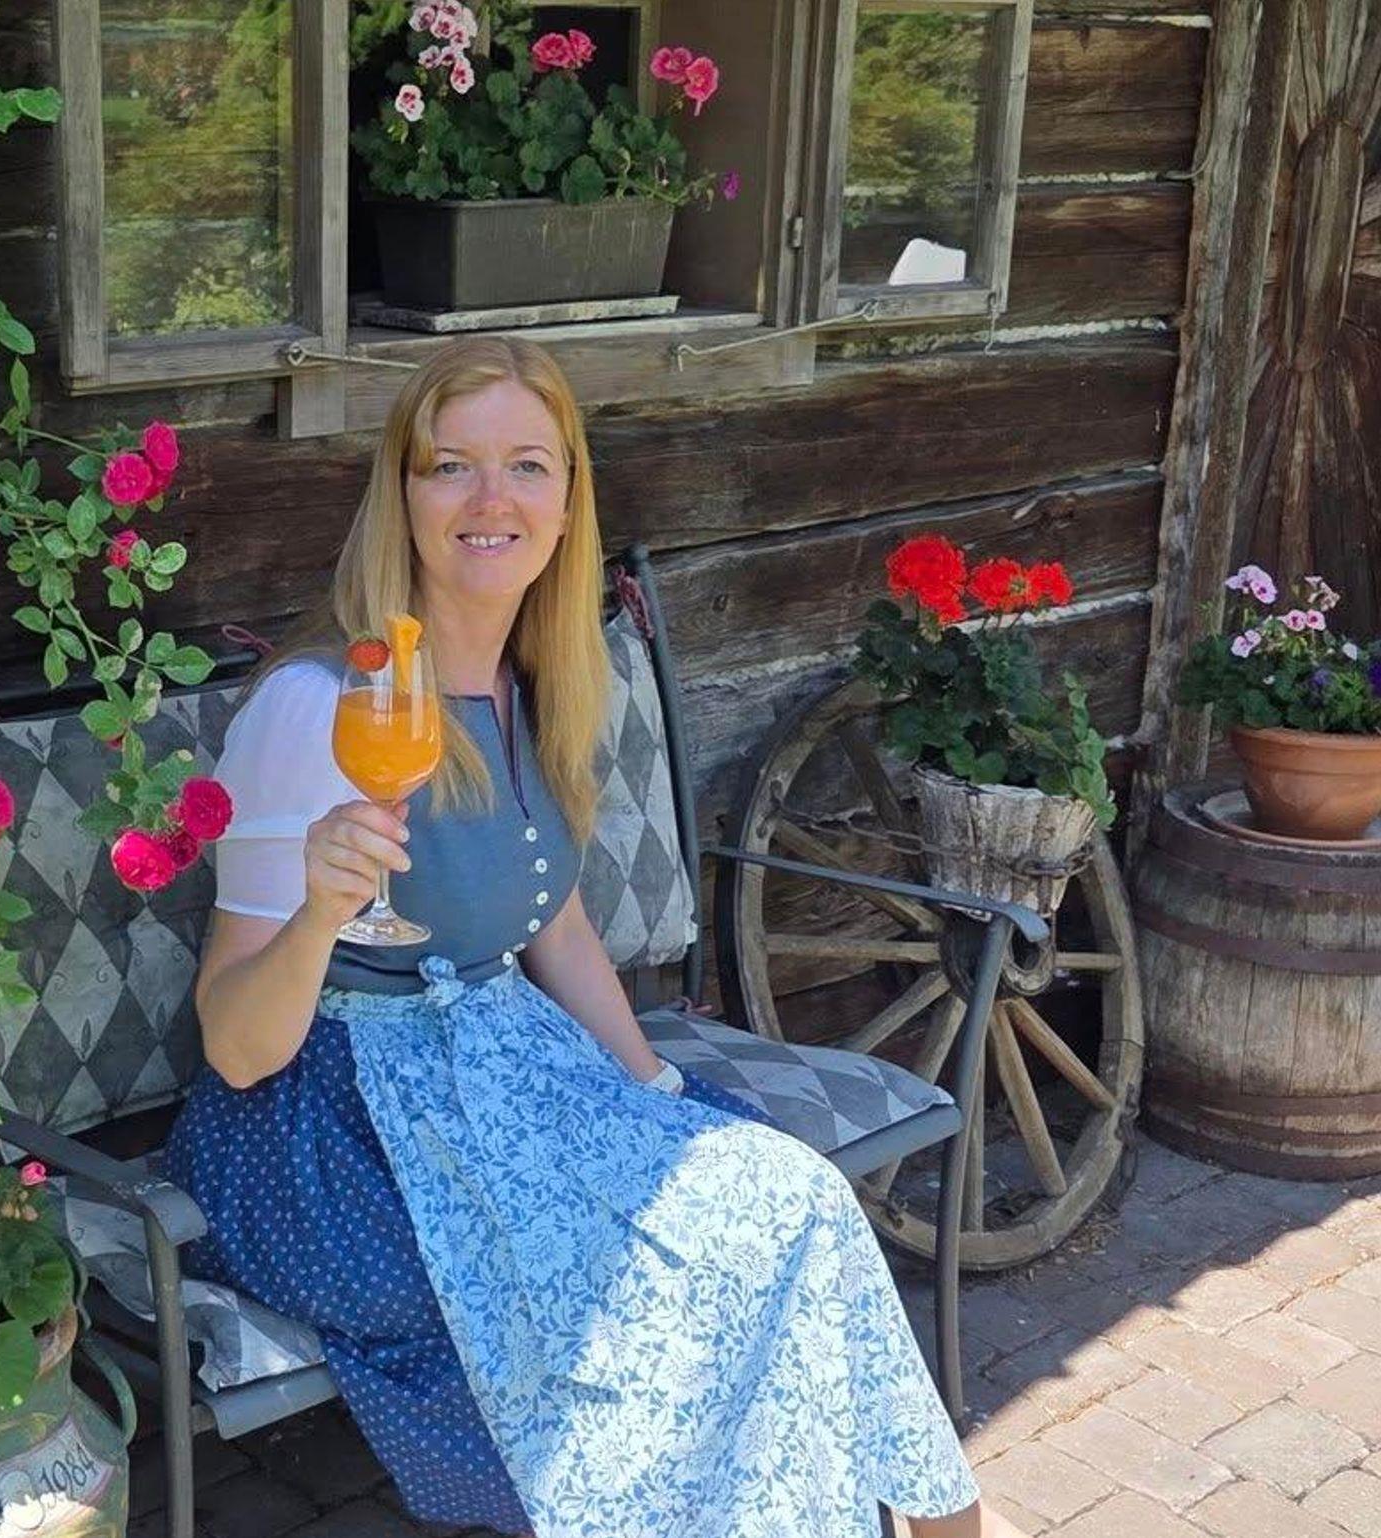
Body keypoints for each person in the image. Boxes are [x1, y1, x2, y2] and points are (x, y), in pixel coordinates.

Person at [166, 336, 1024, 1537]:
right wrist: (318, 909)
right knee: (643, 1295)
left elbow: (552, 921)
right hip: (332, 1130)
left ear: (567, 504)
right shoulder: (323, 705)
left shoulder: (536, 683)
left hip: (504, 1081)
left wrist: (652, 1088)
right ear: (399, 496)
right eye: (449, 465)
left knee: (790, 1201)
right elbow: (234, 1045)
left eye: (526, 464)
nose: (489, 498)